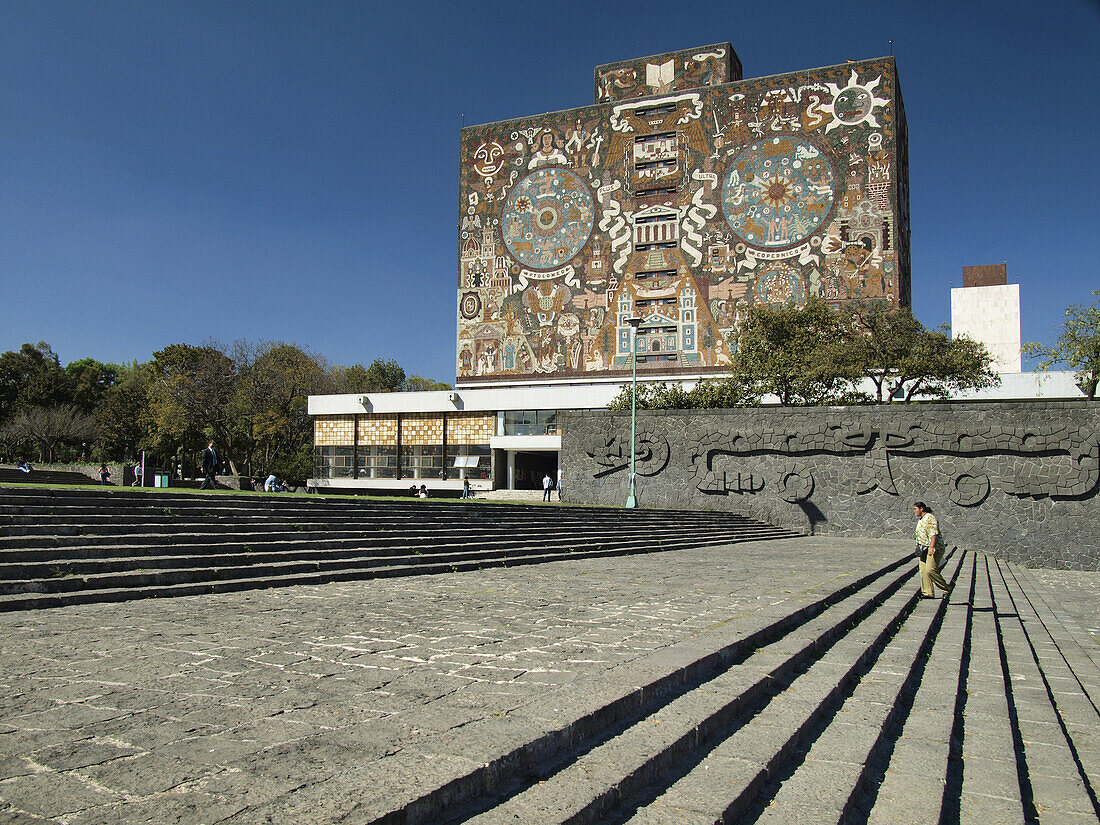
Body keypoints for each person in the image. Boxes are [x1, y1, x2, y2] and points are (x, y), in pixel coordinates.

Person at [914, 501, 952, 599]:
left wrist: (932, 547)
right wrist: (918, 546)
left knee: (931, 570)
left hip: (934, 548)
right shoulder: (921, 519)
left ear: (921, 508)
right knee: (923, 571)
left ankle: (946, 588)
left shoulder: (929, 518)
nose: (914, 511)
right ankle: (927, 592)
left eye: (915, 509)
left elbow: (933, 533)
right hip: (923, 549)